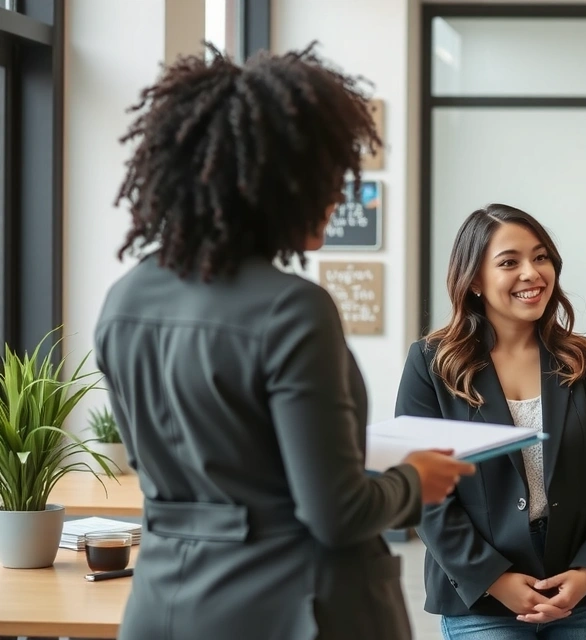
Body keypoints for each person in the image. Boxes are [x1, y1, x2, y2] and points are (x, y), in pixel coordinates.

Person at [93, 45, 473, 640]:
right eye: (328, 178)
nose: (338, 195)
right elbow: (337, 514)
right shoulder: (292, 309)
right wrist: (413, 481)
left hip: (163, 606)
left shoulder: (124, 301)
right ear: (278, 184)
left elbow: (173, 470)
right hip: (293, 608)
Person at [396, 204, 586, 638]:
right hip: (480, 594)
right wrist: (493, 578)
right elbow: (423, 490)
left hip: (582, 590)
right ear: (473, 280)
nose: (532, 273)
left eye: (541, 257)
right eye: (509, 262)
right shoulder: (432, 364)